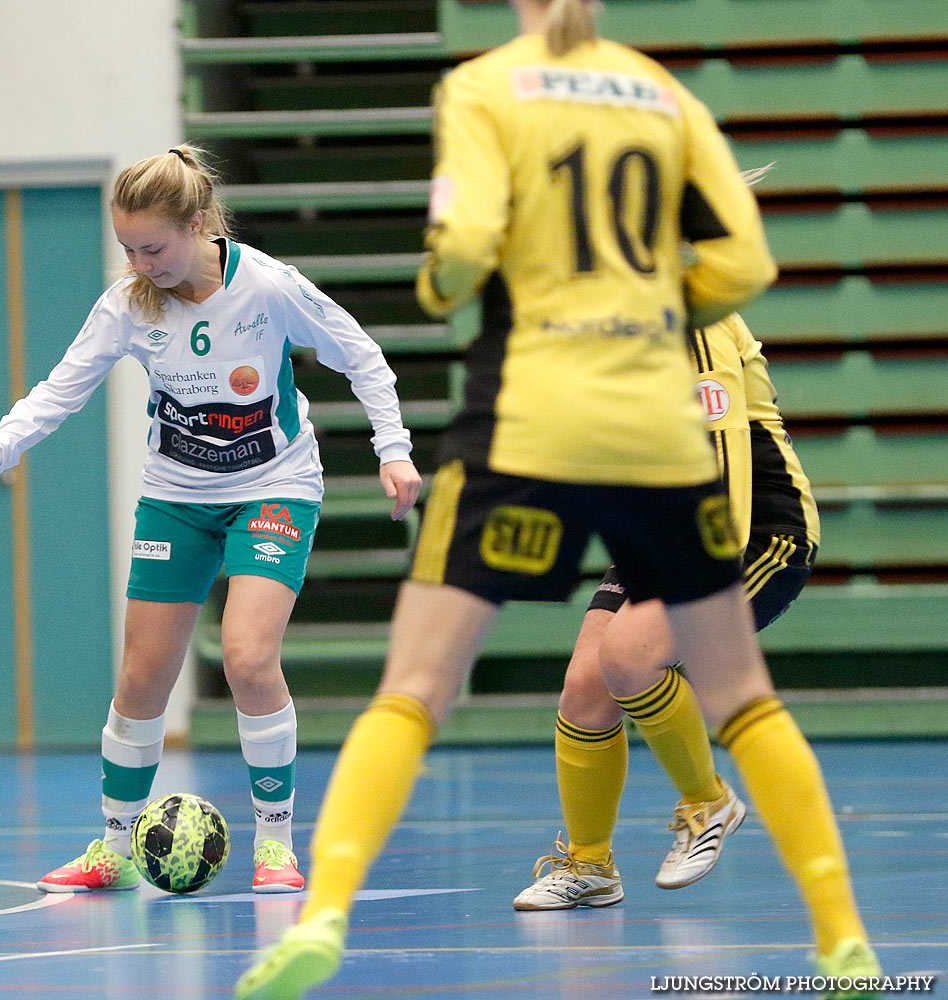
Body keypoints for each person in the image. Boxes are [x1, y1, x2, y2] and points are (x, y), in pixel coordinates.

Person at [236, 1, 879, 997]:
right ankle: (620, 868)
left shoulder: (492, 93)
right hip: (639, 455)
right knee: (593, 681)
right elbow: (746, 256)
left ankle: (326, 910)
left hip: (709, 483)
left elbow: (457, 264)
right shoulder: (656, 103)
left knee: (488, 677)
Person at [0, 146, 421, 895]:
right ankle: (112, 847)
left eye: (154, 247)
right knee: (142, 675)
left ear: (198, 224)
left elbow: (362, 356)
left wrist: (392, 451)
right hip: (177, 494)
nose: (141, 263)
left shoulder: (266, 287)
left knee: (247, 658)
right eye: (128, 249)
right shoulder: (128, 303)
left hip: (274, 485)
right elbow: (60, 388)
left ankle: (275, 847)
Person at [514, 310, 821, 910]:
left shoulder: (693, 320)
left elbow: (724, 465)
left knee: (629, 655)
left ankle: (708, 802)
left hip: (755, 535)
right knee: (586, 684)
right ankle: (590, 865)